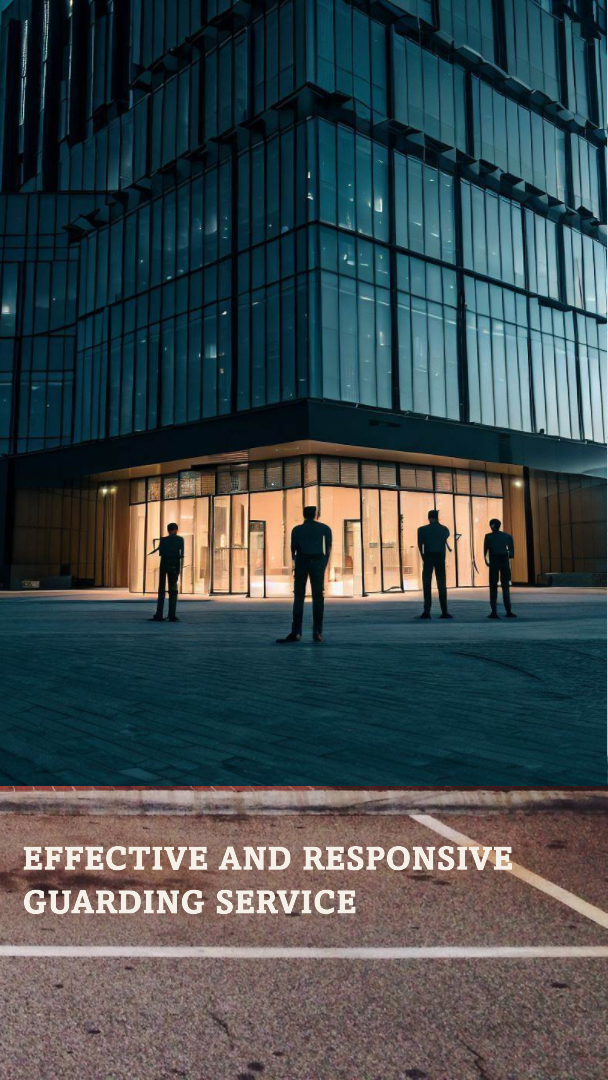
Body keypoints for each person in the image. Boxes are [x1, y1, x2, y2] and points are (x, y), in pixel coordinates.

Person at [276, 506, 332, 644]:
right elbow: (328, 548)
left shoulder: (297, 530)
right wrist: (323, 564)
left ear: (304, 515)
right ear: (316, 514)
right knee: (318, 598)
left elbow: (292, 549)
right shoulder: (325, 528)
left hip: (302, 562)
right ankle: (317, 632)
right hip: (317, 562)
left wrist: (296, 563)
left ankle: (296, 632)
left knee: (299, 598)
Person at [417, 509, 452, 620]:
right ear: (437, 517)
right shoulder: (445, 530)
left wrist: (424, 558)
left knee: (427, 584)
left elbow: (420, 546)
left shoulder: (422, 530)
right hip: (440, 559)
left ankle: (427, 612)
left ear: (429, 517)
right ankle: (444, 611)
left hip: (428, 558)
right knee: (442, 585)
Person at [149, 522, 184, 623]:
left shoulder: (163, 540)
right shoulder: (180, 539)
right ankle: (171, 615)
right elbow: (181, 554)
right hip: (174, 565)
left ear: (168, 530)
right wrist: (179, 569)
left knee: (161, 590)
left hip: (164, 565)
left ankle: (159, 613)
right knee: (173, 590)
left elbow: (161, 552)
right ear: (176, 529)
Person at [484, 518, 516, 619]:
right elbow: (511, 554)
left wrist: (488, 562)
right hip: (504, 562)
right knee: (505, 587)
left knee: (493, 586)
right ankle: (508, 611)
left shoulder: (488, 537)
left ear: (492, 526)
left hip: (494, 562)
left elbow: (485, 552)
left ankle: (494, 611)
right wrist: (505, 553)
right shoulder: (507, 536)